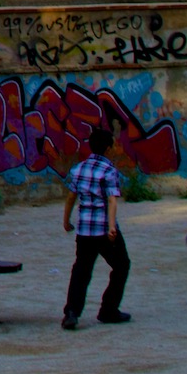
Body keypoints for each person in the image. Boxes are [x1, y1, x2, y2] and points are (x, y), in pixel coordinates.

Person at [60, 126, 131, 329]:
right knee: (122, 265)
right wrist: (111, 227)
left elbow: (71, 197)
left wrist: (66, 221)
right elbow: (112, 200)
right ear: (108, 149)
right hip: (103, 229)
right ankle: (108, 310)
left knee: (81, 270)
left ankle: (71, 313)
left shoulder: (79, 169)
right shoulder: (109, 171)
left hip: (84, 231)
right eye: (114, 145)